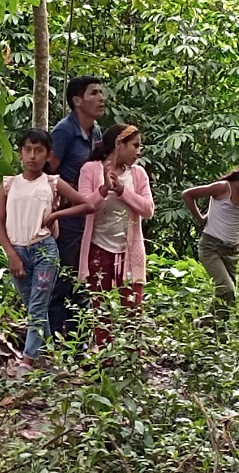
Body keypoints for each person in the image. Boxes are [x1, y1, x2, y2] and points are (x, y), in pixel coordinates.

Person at [0, 128, 93, 374]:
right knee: (34, 307)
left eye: (39, 151)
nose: (32, 156)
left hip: (44, 250)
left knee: (38, 306)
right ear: (20, 153)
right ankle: (50, 358)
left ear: (48, 155)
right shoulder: (9, 184)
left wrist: (56, 214)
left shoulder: (52, 182)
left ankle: (27, 361)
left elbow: (87, 204)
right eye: (27, 149)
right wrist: (12, 255)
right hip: (17, 250)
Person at [76, 123, 154, 350]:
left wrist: (122, 191)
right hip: (98, 248)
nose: (139, 151)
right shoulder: (90, 170)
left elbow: (148, 209)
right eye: (135, 145)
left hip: (130, 251)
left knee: (133, 309)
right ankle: (105, 362)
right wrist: (104, 189)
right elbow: (84, 205)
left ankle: (132, 362)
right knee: (100, 311)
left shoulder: (138, 174)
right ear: (119, 144)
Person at [182, 161, 239, 326]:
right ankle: (206, 325)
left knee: (228, 299)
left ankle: (215, 331)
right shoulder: (224, 188)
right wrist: (200, 219)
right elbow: (188, 194)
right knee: (226, 289)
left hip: (231, 251)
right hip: (211, 247)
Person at [47, 76, 105, 338]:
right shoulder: (64, 131)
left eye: (101, 92)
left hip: (90, 220)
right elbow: (48, 173)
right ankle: (57, 341)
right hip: (68, 219)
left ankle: (78, 343)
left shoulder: (97, 132)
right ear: (77, 101)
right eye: (94, 93)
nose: (101, 98)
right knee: (65, 280)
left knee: (84, 281)